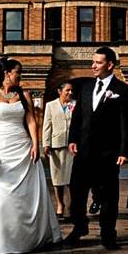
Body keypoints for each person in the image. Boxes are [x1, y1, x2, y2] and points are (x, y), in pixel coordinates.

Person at [0, 57, 62, 254]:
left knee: (24, 194)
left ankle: (24, 237)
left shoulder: (24, 95)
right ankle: (0, 236)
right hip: (0, 146)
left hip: (22, 146)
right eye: (18, 72)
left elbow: (32, 121)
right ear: (7, 73)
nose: (20, 76)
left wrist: (35, 144)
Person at [65, 46, 128, 249]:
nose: (93, 65)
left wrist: (124, 151)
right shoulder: (85, 88)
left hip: (108, 153)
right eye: (93, 62)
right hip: (83, 151)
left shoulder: (122, 90)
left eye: (98, 62)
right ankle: (80, 226)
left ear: (110, 65)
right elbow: (78, 116)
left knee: (108, 196)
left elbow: (126, 123)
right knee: (77, 192)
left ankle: (108, 234)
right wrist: (73, 138)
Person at [43, 82, 75, 217]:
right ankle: (60, 204)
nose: (70, 93)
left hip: (71, 146)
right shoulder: (50, 106)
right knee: (57, 178)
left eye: (71, 90)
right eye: (67, 90)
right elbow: (47, 125)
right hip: (56, 145)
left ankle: (69, 207)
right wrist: (46, 143)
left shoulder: (75, 104)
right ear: (60, 91)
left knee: (70, 177)